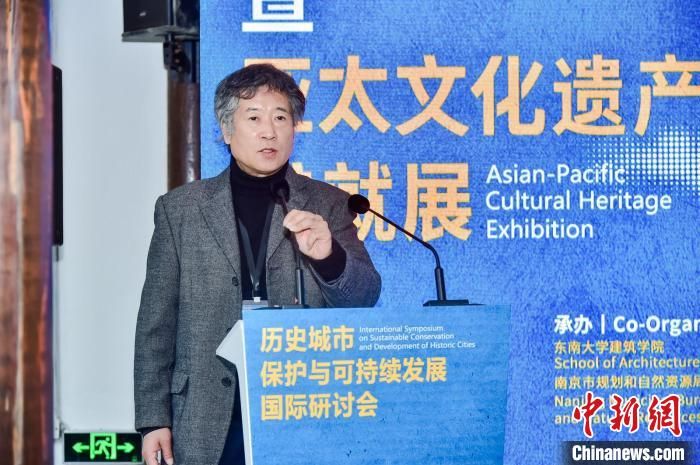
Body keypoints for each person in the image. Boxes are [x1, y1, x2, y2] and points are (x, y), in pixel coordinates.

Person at [133, 63, 381, 465]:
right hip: (206, 414)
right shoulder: (180, 211)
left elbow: (365, 296)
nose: (269, 131)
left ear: (294, 129)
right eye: (254, 118)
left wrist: (329, 257)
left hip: (302, 409)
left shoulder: (328, 203)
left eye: (281, 118)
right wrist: (153, 420)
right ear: (226, 130)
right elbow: (155, 324)